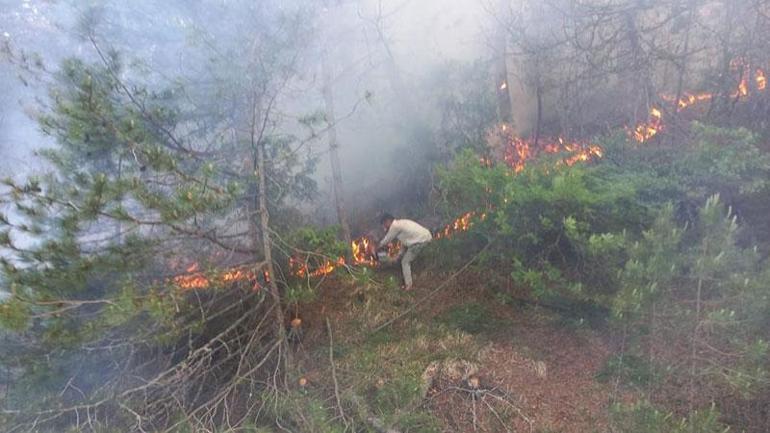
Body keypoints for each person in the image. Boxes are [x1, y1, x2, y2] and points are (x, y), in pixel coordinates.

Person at [378, 213, 432, 290]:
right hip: (424, 237)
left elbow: (386, 240)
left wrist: (377, 247)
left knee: (405, 262)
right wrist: (398, 256)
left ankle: (408, 286)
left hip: (421, 241)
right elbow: (405, 243)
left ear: (388, 221)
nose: (384, 227)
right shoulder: (401, 223)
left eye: (384, 224)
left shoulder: (395, 226)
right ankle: (407, 281)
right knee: (403, 258)